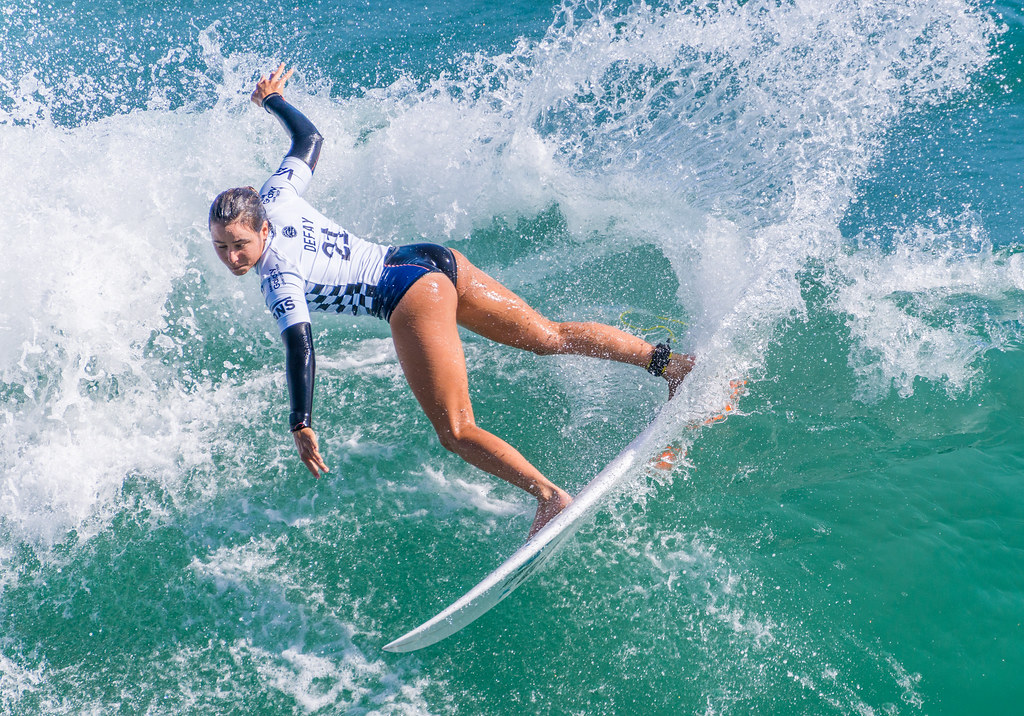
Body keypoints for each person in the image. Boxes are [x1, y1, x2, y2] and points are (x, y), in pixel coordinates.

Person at [208, 65, 694, 539]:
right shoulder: (275, 194)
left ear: (263, 229)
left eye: (240, 245)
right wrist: (272, 99)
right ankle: (674, 367)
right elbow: (310, 140)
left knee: (457, 431)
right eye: (222, 247)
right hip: (431, 259)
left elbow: (300, 346)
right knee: (549, 336)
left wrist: (301, 420)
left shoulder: (278, 276)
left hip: (408, 294)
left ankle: (549, 497)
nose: (233, 257)